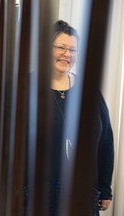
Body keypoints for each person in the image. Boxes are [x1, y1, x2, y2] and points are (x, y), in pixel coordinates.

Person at [49, 20, 114, 215]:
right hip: (37, 192)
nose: (67, 54)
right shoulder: (28, 88)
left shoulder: (90, 92)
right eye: (60, 47)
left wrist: (105, 189)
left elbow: (106, 142)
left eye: (73, 50)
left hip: (84, 192)